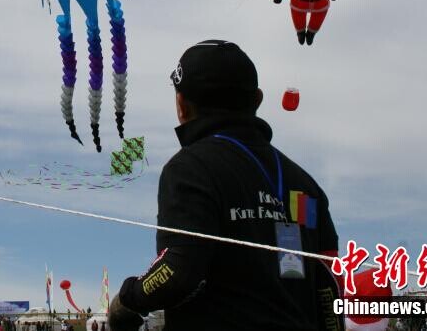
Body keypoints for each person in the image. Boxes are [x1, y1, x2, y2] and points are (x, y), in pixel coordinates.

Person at [108, 40, 340, 330]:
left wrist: (128, 299)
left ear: (181, 105)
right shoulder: (306, 187)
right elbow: (329, 289)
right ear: (257, 99)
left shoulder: (190, 168)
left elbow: (178, 270)